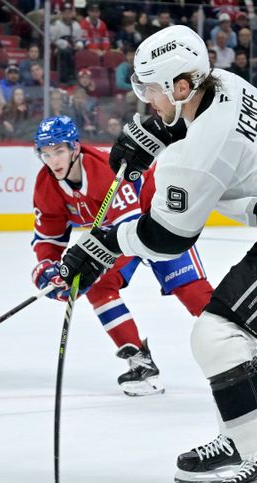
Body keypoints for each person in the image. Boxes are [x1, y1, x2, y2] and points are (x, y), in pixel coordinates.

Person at [58, 26, 257, 483]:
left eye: (151, 89)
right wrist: (157, 134)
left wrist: (104, 245)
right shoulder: (221, 81)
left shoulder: (199, 155)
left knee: (218, 336)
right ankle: (241, 440)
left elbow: (168, 238)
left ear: (180, 87)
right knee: (220, 332)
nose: (145, 99)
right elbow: (192, 126)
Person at [32, 115, 213, 396]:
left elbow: (127, 230)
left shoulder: (105, 168)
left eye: (59, 151)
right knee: (97, 286)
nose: (52, 160)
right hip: (115, 236)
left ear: (75, 148)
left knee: (191, 290)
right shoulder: (47, 185)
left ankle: (243, 359)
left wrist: (85, 265)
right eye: (46, 153)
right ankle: (140, 362)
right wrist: (49, 268)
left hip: (159, 222)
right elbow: (49, 238)